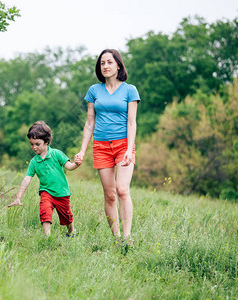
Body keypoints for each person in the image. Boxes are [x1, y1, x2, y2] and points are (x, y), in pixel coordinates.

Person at [75, 49, 140, 248]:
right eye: (102, 63)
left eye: (109, 62)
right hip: (101, 146)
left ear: (118, 65)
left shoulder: (130, 90)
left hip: (122, 145)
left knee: (122, 190)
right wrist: (82, 151)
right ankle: (116, 238)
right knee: (110, 194)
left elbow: (131, 123)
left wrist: (129, 150)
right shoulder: (94, 91)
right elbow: (89, 123)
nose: (105, 66)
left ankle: (127, 237)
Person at [8, 121, 81, 237]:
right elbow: (27, 179)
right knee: (45, 212)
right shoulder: (34, 162)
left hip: (62, 192)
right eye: (31, 144)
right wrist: (18, 197)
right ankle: (47, 237)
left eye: (37, 144)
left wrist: (77, 164)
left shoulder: (57, 154)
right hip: (46, 192)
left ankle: (71, 231)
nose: (34, 147)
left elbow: (70, 167)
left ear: (46, 142)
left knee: (66, 217)